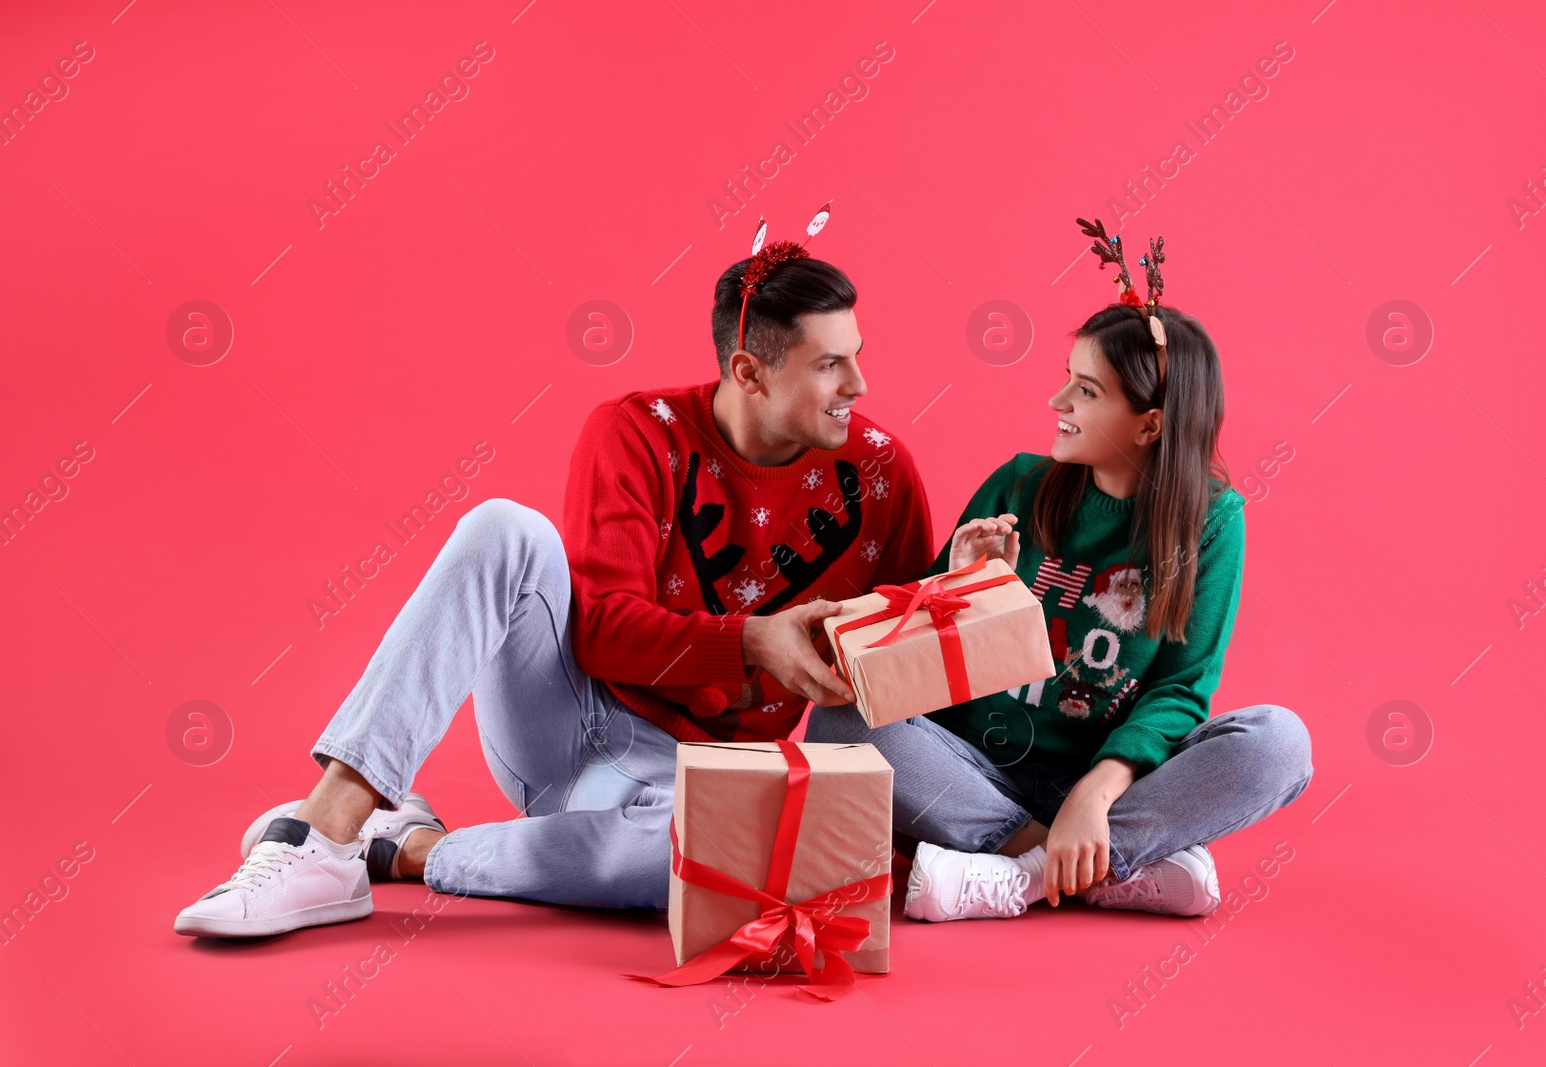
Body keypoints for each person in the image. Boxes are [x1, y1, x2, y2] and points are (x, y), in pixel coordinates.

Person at [174, 238, 935, 938]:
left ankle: (413, 849)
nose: (859, 384)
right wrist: (752, 641)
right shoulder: (639, 431)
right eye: (830, 364)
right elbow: (602, 629)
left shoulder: (880, 472)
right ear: (749, 371)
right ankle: (328, 830)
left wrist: (954, 581)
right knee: (506, 527)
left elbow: (903, 660)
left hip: (704, 780)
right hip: (570, 720)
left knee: (756, 855)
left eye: (857, 355)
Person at [807, 248, 1313, 923]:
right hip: (976, 772)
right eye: (1067, 379)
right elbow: (903, 667)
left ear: (1150, 424)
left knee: (1280, 742)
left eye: (1087, 391)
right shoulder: (1019, 483)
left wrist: (1096, 795)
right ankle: (1092, 869)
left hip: (1109, 783)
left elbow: (1181, 687)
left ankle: (1017, 877)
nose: (1058, 401)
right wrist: (953, 582)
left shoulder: (1213, 522)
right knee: (840, 719)